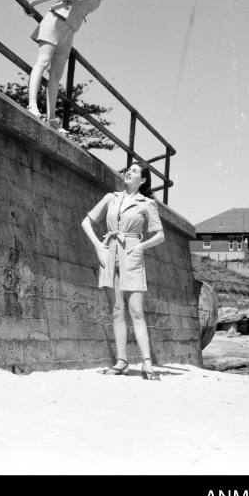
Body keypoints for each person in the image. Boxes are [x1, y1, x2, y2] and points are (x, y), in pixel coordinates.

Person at [81, 162, 165, 380]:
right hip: (109, 253)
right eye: (129, 169)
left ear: (143, 180)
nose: (129, 171)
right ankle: (122, 362)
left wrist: (140, 247)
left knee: (136, 310)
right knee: (117, 310)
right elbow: (86, 222)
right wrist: (98, 246)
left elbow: (159, 235)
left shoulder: (147, 204)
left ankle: (147, 364)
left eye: (135, 171)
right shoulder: (111, 198)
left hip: (131, 255)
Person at [26, 0, 126, 121]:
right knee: (43, 61)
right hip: (56, 20)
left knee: (57, 75)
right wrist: (34, 3)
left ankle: (51, 119)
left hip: (71, 30)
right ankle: (32, 105)